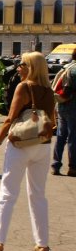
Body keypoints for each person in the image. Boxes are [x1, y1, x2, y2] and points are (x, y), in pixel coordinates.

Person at [0, 51, 55, 251]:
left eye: (22, 65)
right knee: (38, 195)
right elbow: (52, 120)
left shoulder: (24, 87)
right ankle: (42, 243)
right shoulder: (48, 89)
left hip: (21, 145)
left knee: (8, 194)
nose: (18, 68)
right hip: (43, 146)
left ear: (31, 68)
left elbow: (10, 119)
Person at [51, 48, 76, 176]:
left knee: (61, 137)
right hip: (73, 107)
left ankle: (55, 165)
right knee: (73, 138)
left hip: (61, 106)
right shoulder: (75, 70)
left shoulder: (67, 67)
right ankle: (73, 167)